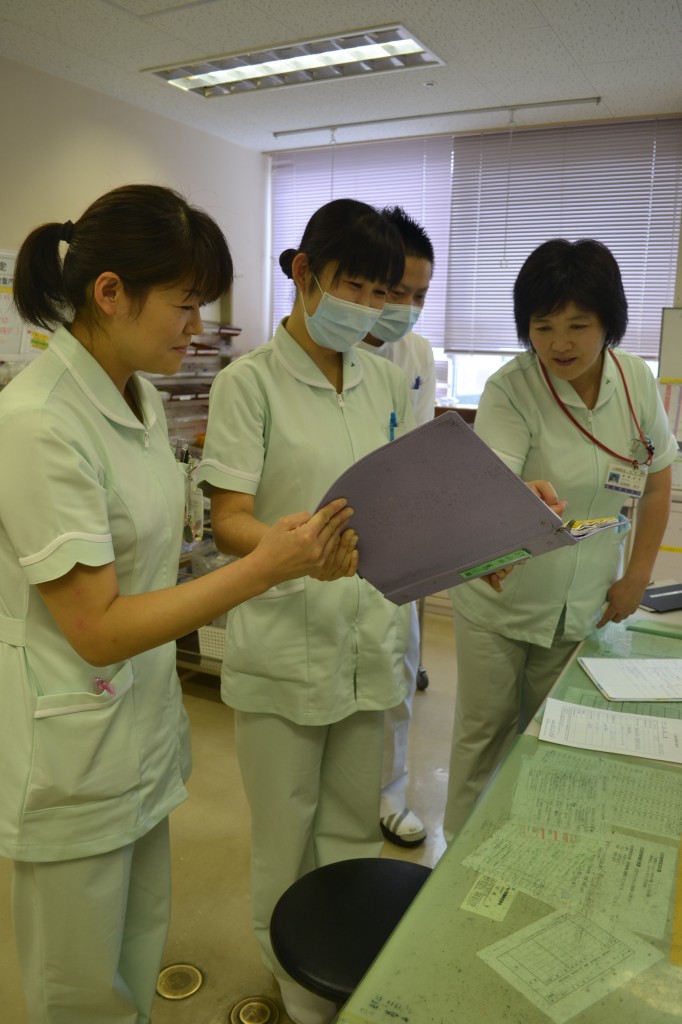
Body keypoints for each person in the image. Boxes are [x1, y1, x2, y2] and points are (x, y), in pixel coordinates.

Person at [0, 184, 354, 1024]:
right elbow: (95, 628)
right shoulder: (37, 422)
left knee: (137, 943)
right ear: (110, 292)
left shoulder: (142, 398)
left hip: (142, 725)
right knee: (78, 988)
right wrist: (267, 567)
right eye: (185, 304)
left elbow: (160, 562)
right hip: (72, 743)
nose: (196, 327)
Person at [196, 198, 414, 1024]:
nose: (366, 305)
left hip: (369, 635)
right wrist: (297, 548)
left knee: (353, 828)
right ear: (303, 274)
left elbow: (410, 498)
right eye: (351, 285)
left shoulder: (387, 380)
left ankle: (344, 982)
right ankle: (293, 993)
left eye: (377, 291)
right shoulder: (246, 382)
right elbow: (229, 518)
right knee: (285, 839)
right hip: (286, 640)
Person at [444, 238, 677, 842]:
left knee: (557, 735)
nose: (559, 343)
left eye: (578, 324)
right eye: (543, 326)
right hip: (504, 601)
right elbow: (492, 482)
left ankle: (532, 851)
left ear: (609, 322)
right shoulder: (511, 388)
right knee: (484, 738)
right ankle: (458, 867)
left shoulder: (635, 383)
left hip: (590, 602)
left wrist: (636, 577)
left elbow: (656, 483)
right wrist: (521, 496)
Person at [357, 205, 435, 847]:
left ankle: (389, 796)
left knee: (398, 678)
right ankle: (345, 800)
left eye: (420, 295)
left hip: (398, 543)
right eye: (396, 291)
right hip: (330, 544)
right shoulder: (331, 350)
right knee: (342, 692)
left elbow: (420, 449)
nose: (406, 307)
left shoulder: (415, 352)